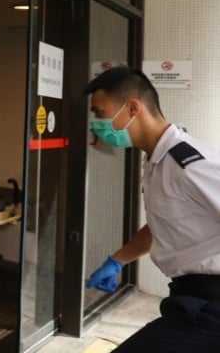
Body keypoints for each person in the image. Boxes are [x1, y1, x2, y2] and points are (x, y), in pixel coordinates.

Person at [84, 65, 220, 351]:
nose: (96, 122)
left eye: (99, 112)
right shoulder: (157, 162)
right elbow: (164, 224)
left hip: (209, 308)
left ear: (132, 107)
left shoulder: (187, 164)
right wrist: (117, 260)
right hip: (189, 299)